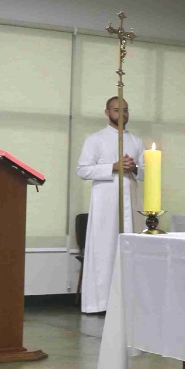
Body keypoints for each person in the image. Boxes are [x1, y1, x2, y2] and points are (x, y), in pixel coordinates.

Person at [76, 96, 143, 314]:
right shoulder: (95, 139)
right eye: (117, 110)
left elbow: (145, 171)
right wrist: (112, 167)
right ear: (107, 112)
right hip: (106, 201)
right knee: (104, 249)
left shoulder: (136, 140)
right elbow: (83, 170)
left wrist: (135, 168)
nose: (122, 114)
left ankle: (128, 303)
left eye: (125, 110)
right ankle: (100, 303)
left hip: (130, 200)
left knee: (130, 248)